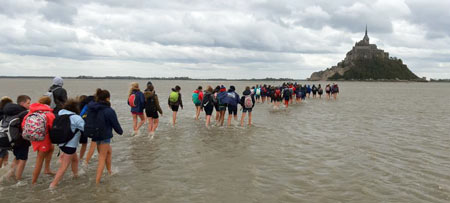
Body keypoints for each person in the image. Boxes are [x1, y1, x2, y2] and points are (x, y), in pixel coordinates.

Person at [85, 88, 123, 184]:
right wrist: (120, 132)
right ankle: (97, 181)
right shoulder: (109, 110)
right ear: (107, 99)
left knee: (108, 152)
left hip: (94, 134)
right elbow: (116, 124)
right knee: (102, 158)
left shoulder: (91, 108)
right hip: (104, 135)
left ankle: (109, 171)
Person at [50, 99, 84, 188]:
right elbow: (85, 129)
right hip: (70, 146)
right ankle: (53, 185)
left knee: (75, 159)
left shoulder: (60, 113)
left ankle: (75, 175)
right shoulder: (76, 118)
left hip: (61, 143)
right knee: (63, 167)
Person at [22, 96, 55, 185]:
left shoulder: (30, 113)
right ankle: (34, 182)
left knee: (51, 148)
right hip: (44, 139)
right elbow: (53, 127)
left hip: (34, 138)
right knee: (39, 160)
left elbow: (23, 125)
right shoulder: (49, 114)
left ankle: (47, 169)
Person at [5, 95, 31, 180]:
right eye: (28, 103)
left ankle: (10, 175)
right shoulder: (23, 113)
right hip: (21, 140)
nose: (29, 105)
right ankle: (18, 178)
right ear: (22, 103)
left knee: (17, 157)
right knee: (23, 159)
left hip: (12, 139)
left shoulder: (11, 112)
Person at [0, 96, 13, 168]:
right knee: (2, 153)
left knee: (5, 153)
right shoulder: (5, 114)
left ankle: (5, 168)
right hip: (2, 135)